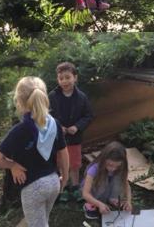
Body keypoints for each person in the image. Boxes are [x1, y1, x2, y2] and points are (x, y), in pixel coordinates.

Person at [0, 76, 69, 227]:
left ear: (19, 101)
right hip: (54, 182)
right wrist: (65, 178)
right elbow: (64, 153)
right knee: (42, 221)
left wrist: (12, 165)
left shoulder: (19, 131)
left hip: (33, 189)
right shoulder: (55, 124)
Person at [49, 62, 94, 203]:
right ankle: (62, 189)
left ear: (75, 77)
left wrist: (77, 126)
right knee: (61, 164)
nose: (64, 81)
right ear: (58, 80)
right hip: (57, 139)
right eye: (61, 78)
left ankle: (75, 187)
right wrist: (57, 126)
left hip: (75, 139)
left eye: (67, 77)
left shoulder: (82, 97)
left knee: (74, 164)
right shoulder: (52, 96)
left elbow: (88, 115)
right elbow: (46, 115)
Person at [81, 141, 132, 220]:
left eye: (117, 166)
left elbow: (126, 185)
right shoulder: (94, 169)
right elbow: (85, 193)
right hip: (94, 190)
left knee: (120, 178)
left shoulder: (120, 169)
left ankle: (111, 199)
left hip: (108, 188)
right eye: (110, 165)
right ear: (103, 159)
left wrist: (128, 201)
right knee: (102, 181)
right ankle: (91, 204)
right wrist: (99, 204)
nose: (113, 169)